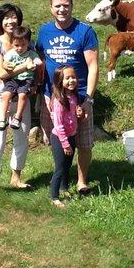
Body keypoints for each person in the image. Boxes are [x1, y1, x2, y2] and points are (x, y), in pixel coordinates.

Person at [36, 0, 99, 194]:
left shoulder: (85, 31)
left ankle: (81, 181)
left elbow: (93, 66)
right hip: (53, 96)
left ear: (72, 6)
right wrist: (43, 93)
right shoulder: (44, 32)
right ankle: (61, 180)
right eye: (58, 6)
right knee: (59, 137)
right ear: (51, 8)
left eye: (66, 5)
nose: (62, 9)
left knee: (84, 142)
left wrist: (88, 99)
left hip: (79, 96)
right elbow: (41, 62)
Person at [0, 4, 35, 201]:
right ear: (0, 21)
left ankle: (16, 178)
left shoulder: (28, 41)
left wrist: (29, 75)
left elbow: (36, 66)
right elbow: (2, 74)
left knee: (21, 138)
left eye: (13, 17)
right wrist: (23, 67)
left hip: (22, 97)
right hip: (0, 97)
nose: (10, 21)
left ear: (18, 19)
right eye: (6, 18)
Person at [50, 65, 84, 208]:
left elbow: (74, 115)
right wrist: (65, 144)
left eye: (73, 77)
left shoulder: (73, 96)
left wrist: (79, 113)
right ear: (59, 81)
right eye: (67, 78)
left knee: (68, 165)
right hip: (60, 138)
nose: (71, 80)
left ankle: (64, 188)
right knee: (60, 167)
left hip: (71, 135)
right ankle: (54, 196)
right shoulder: (58, 100)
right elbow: (58, 125)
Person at [0, 26, 42, 131]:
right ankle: (2, 118)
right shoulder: (11, 54)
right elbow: (5, 63)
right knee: (5, 95)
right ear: (12, 43)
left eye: (23, 45)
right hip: (13, 79)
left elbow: (38, 60)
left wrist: (35, 63)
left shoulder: (31, 53)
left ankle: (17, 117)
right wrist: (5, 65)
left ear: (28, 43)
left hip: (26, 80)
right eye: (17, 45)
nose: (20, 48)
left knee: (22, 95)